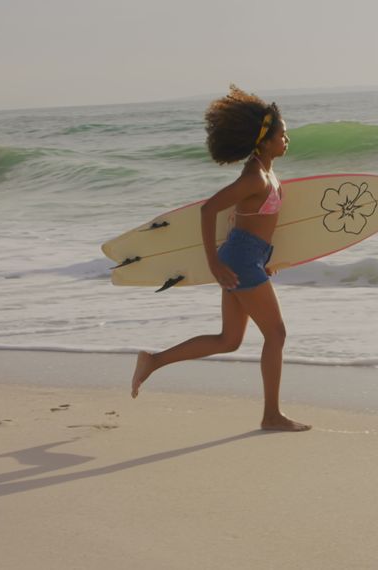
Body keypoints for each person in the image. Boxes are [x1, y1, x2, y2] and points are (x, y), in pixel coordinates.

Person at [130, 85, 311, 432]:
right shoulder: (255, 176)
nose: (287, 139)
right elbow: (209, 209)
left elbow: (247, 220)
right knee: (276, 335)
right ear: (265, 140)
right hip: (239, 259)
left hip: (248, 258)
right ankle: (271, 415)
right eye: (283, 135)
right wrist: (214, 262)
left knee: (229, 340)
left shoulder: (266, 172)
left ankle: (153, 361)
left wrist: (264, 258)